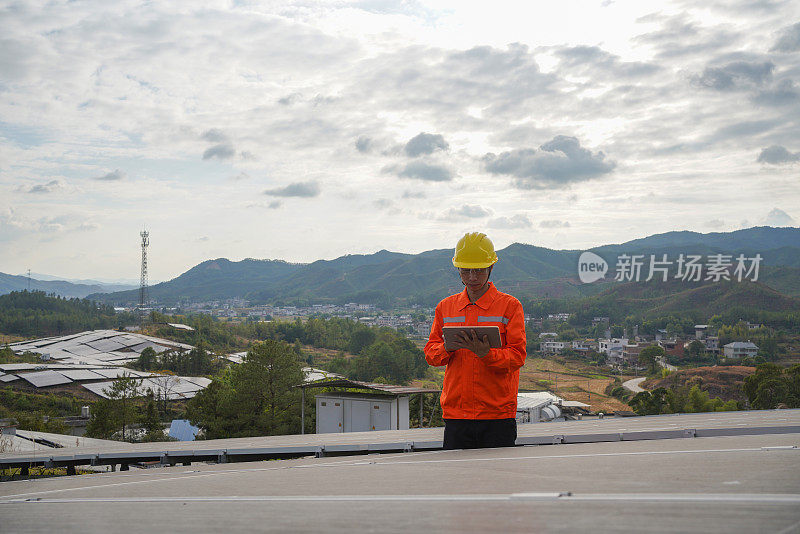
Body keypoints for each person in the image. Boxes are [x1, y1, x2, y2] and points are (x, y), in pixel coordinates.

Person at [424, 232, 527, 449]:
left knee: (498, 480)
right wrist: (447, 348)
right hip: (456, 415)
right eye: (466, 270)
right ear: (458, 270)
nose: (472, 276)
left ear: (491, 268)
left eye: (479, 270)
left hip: (497, 415)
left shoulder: (510, 306)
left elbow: (517, 357)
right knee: (458, 480)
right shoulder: (445, 307)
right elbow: (431, 354)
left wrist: (486, 354)